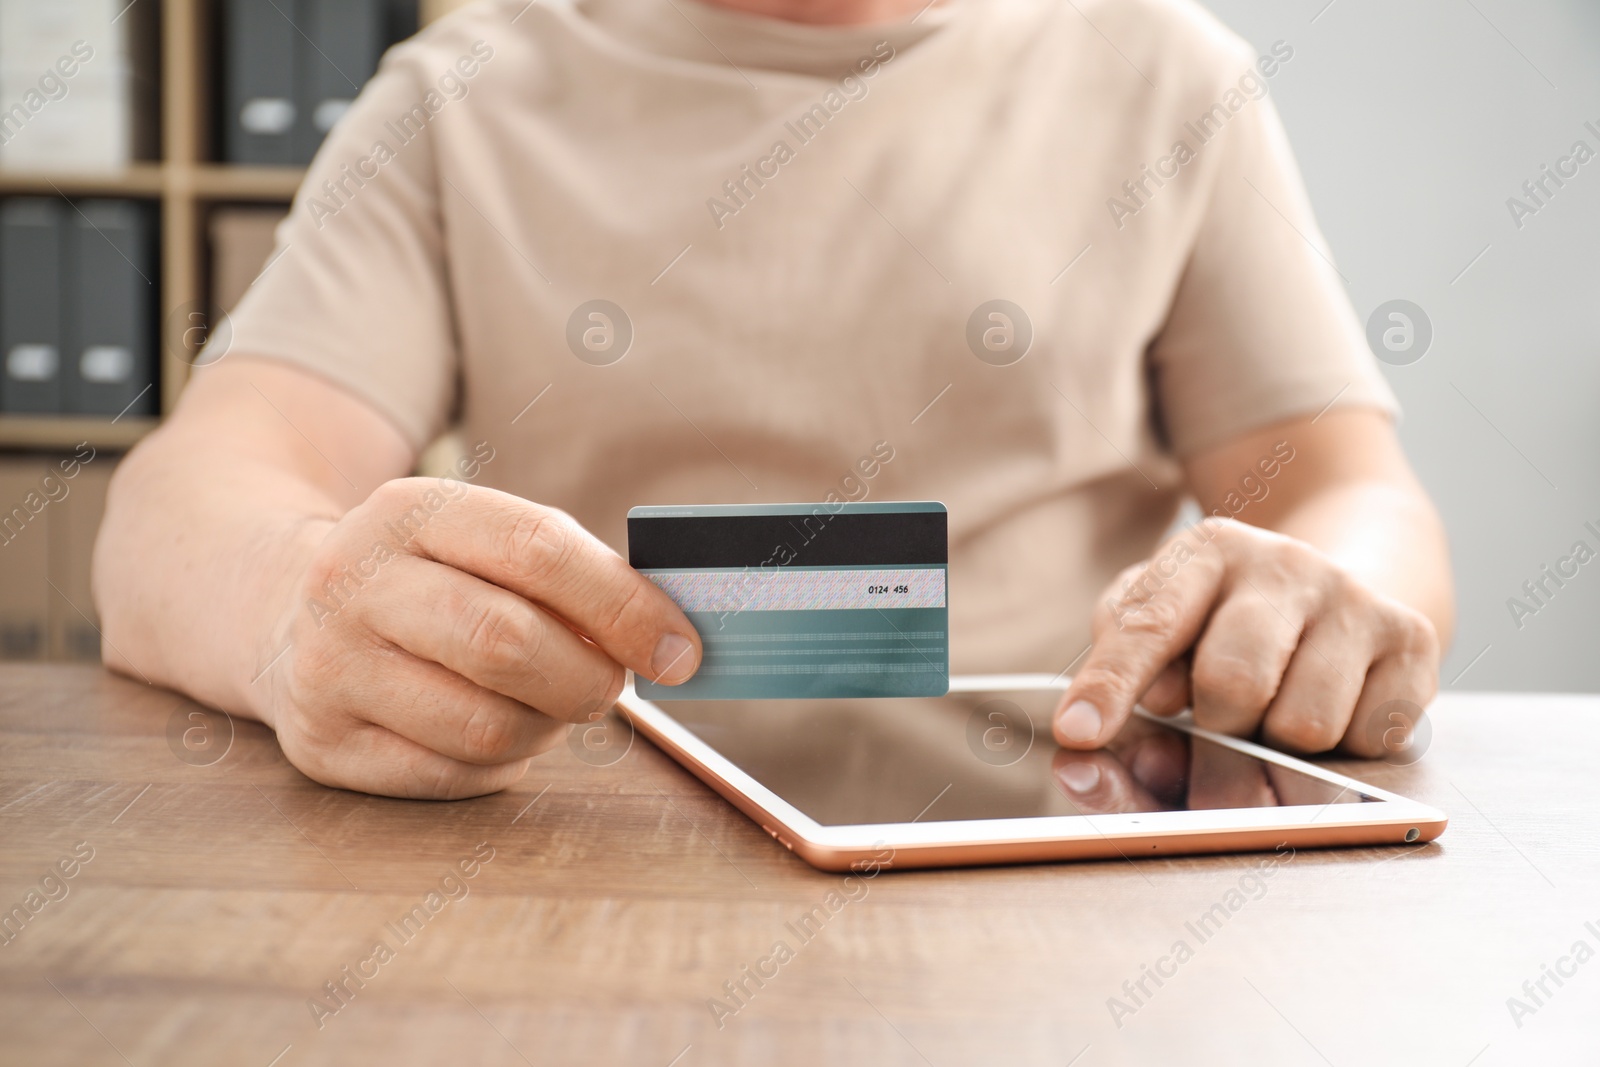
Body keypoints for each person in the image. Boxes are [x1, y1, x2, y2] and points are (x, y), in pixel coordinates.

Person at [94, 0, 1453, 799]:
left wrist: (1322, 595)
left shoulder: (1166, 73)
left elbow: (1346, 488)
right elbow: (185, 502)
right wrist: (295, 613)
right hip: (571, 863)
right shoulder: (464, 91)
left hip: (1058, 871)